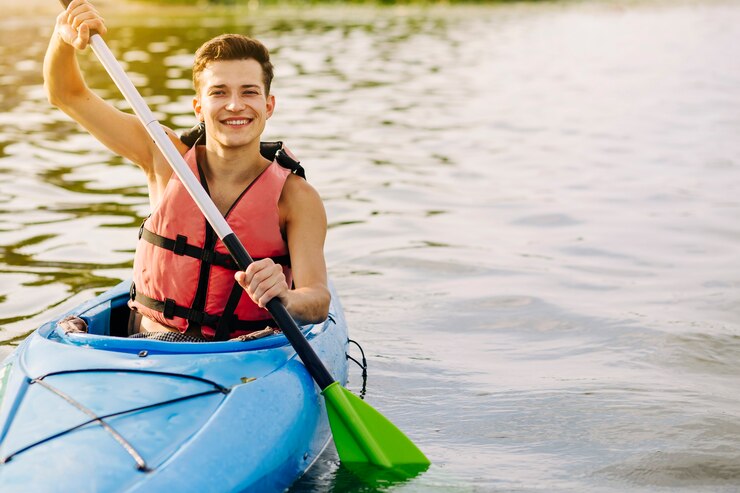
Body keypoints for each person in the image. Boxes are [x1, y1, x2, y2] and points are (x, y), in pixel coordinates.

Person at [44, 0, 330, 341]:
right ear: (199, 106)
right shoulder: (163, 156)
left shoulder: (296, 197)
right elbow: (66, 94)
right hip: (146, 348)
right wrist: (64, 39)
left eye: (249, 92)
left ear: (268, 106)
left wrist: (286, 296)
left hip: (241, 355)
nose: (235, 105)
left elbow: (317, 300)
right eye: (219, 92)